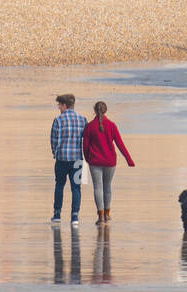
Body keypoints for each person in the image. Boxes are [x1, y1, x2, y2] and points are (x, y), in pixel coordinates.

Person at [82, 100, 134, 226]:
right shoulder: (111, 125)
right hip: (110, 161)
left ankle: (100, 216)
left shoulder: (89, 127)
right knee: (107, 186)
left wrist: (89, 159)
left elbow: (85, 146)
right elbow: (120, 144)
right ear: (106, 111)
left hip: (95, 161)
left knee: (98, 187)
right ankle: (107, 213)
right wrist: (129, 159)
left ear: (94, 111)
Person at [50, 94, 87, 227]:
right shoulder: (83, 120)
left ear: (64, 105)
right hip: (78, 159)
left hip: (61, 159)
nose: (59, 108)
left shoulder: (58, 120)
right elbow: (86, 140)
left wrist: (55, 153)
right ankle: (75, 216)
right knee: (76, 187)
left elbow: (53, 140)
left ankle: (57, 214)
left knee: (59, 185)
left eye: (59, 105)